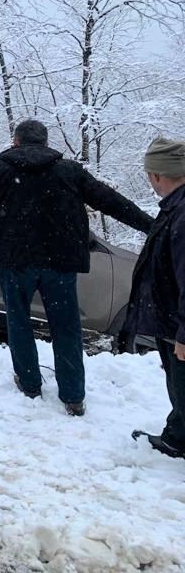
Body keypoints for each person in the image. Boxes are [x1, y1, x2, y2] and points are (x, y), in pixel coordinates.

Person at [0, 119, 153, 416]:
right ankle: (73, 396)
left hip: (15, 261)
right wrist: (151, 226)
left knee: (19, 321)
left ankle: (30, 384)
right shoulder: (68, 170)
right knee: (66, 326)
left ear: (15, 141)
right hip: (59, 263)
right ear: (46, 142)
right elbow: (110, 201)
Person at [122, 137, 185, 459]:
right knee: (178, 387)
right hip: (171, 317)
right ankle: (176, 438)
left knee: (183, 387)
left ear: (158, 175)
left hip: (178, 322)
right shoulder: (176, 207)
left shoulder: (182, 213)